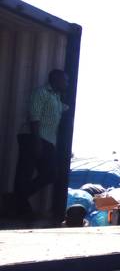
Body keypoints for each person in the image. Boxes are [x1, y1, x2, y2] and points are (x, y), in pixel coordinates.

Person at [12, 70, 69, 216]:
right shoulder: (41, 93)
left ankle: (18, 199)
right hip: (32, 138)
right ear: (55, 79)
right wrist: (37, 141)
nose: (67, 83)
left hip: (47, 140)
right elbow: (34, 117)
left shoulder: (57, 97)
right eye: (65, 80)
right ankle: (20, 204)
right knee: (25, 173)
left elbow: (63, 108)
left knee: (50, 173)